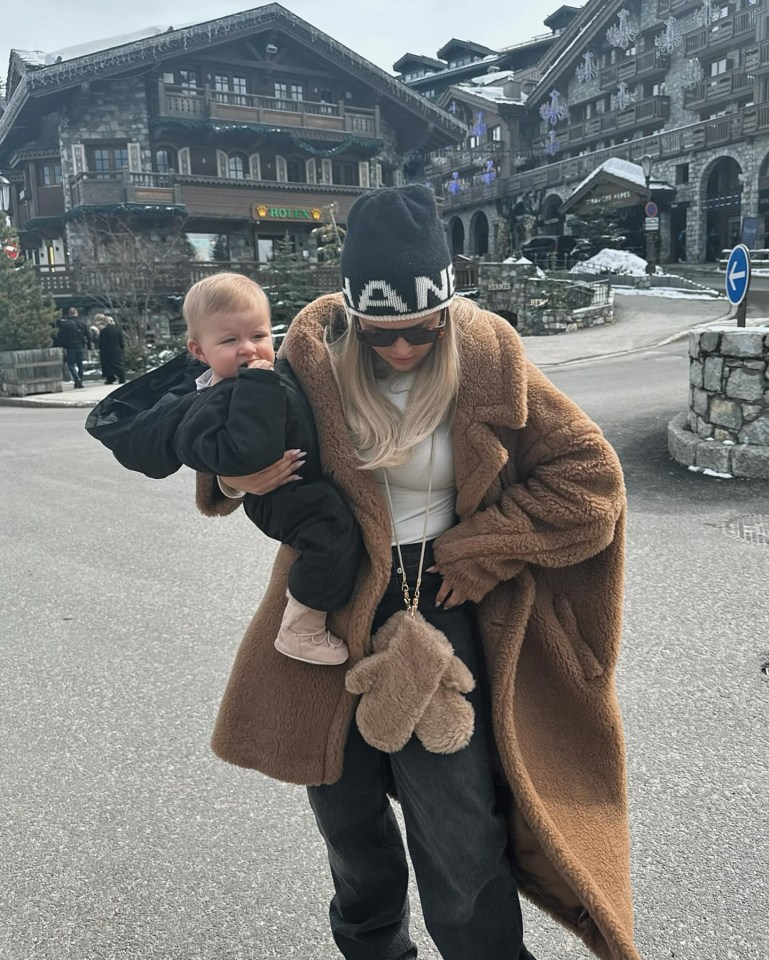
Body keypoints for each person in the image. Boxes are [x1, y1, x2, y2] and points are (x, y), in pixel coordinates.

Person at [86, 186, 640, 960]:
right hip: (330, 600)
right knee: (348, 823)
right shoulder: (308, 358)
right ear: (351, 311)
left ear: (446, 306)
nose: (403, 349)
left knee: (458, 827)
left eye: (421, 330)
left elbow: (590, 481)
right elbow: (225, 433)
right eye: (382, 334)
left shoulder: (485, 355)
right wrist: (240, 479)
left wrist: (483, 548)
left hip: (446, 604)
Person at [55, 306, 91, 388]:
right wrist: (89, 346)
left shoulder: (65, 324)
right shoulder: (82, 323)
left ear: (69, 314)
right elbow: (88, 335)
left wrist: (61, 345)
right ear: (76, 313)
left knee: (71, 364)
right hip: (80, 346)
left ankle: (76, 378)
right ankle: (80, 380)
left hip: (70, 347)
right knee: (80, 364)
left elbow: (61, 336)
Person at [96, 314, 126, 385]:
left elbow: (101, 342)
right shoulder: (118, 329)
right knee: (119, 363)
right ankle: (122, 377)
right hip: (117, 349)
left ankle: (110, 378)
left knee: (108, 365)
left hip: (107, 351)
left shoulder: (104, 331)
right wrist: (122, 348)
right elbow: (121, 340)